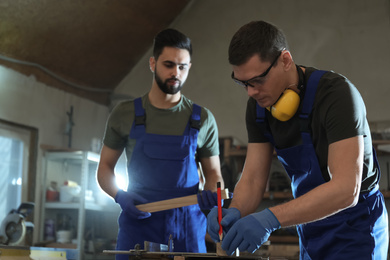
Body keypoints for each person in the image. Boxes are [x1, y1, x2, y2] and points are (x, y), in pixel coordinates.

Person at [207, 20, 388, 259]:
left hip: (357, 229)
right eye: (243, 83)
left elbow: (346, 189)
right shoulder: (259, 108)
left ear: (285, 60)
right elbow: (251, 179)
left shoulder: (337, 96)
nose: (251, 92)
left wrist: (270, 218)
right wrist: (234, 210)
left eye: (258, 80)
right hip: (310, 226)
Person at [97, 28, 224, 259]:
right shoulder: (124, 114)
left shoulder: (203, 119)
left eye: (182, 67)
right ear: (152, 63)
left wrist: (212, 197)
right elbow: (104, 168)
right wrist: (119, 195)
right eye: (169, 65)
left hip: (188, 229)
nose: (176, 72)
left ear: (189, 67)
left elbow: (214, 172)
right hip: (138, 224)